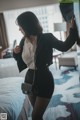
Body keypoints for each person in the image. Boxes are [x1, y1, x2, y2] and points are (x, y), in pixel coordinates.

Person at [13, 11, 79, 120]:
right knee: (37, 114)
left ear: (27, 25)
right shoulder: (23, 41)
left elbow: (64, 46)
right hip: (29, 79)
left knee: (35, 116)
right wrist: (16, 52)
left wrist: (73, 30)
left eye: (20, 26)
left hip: (44, 79)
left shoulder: (47, 38)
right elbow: (19, 59)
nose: (19, 29)